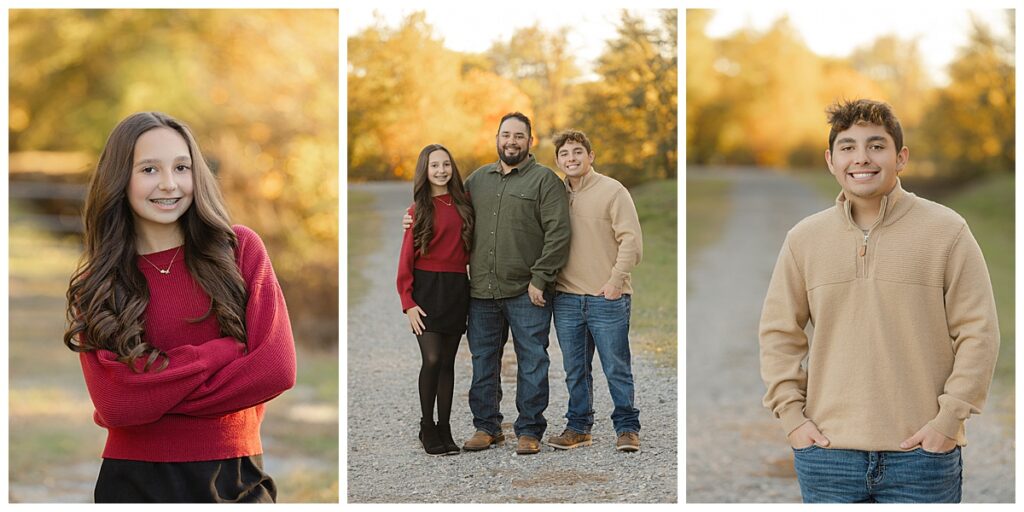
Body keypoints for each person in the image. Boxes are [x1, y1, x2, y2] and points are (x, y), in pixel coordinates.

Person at [759, 99, 999, 503]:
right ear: (831, 160)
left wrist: (947, 421)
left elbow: (979, 332)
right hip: (828, 455)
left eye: (876, 145)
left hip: (922, 455)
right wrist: (792, 419)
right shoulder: (804, 238)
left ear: (900, 157)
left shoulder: (947, 231)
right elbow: (778, 332)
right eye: (848, 147)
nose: (862, 158)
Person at [64, 112, 297, 503]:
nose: (169, 184)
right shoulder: (100, 282)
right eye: (149, 169)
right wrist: (221, 352)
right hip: (133, 483)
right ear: (121, 179)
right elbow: (117, 405)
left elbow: (276, 370)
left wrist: (152, 394)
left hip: (235, 476)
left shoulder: (239, 251)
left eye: (182, 167)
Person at [459, 112, 571, 455]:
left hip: (527, 292)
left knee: (533, 360)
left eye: (519, 136)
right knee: (483, 361)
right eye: (506, 134)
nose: (511, 141)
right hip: (481, 291)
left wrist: (541, 279)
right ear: (497, 138)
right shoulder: (477, 180)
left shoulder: (544, 181)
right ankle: (487, 427)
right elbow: (450, 219)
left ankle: (529, 430)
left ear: (529, 141)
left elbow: (558, 233)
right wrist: (413, 219)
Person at [543, 129, 643, 453]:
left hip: (607, 296)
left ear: (590, 155)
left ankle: (627, 428)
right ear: (557, 160)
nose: (571, 158)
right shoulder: (555, 193)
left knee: (616, 366)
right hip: (567, 298)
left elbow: (632, 241)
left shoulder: (613, 191)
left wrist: (615, 281)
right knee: (575, 368)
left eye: (577, 152)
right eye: (564, 154)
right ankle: (578, 427)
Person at [397, 144, 474, 456]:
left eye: (446, 165)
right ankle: (426, 425)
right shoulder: (417, 210)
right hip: (426, 290)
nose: (441, 170)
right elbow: (405, 259)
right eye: (434, 166)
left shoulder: (465, 205)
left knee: (447, 363)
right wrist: (408, 301)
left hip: (457, 287)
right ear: (425, 172)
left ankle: (445, 427)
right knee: (431, 359)